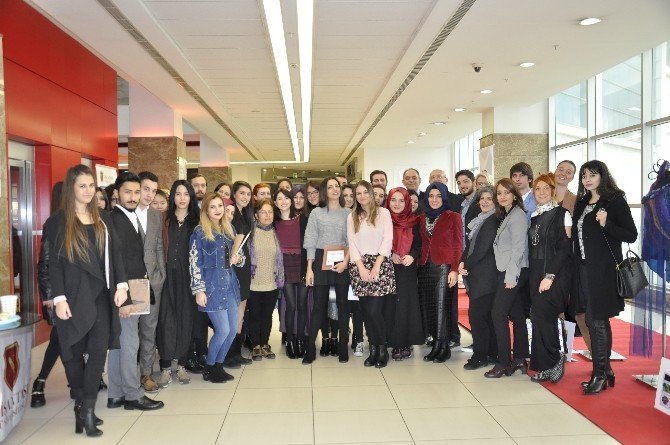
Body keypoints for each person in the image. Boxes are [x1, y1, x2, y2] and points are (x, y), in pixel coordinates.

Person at [47, 165, 129, 437]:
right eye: (82, 186)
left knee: (97, 353)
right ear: (71, 188)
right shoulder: (58, 222)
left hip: (101, 296)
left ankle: (89, 411)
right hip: (72, 297)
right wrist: (58, 298)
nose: (88, 191)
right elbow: (53, 264)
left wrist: (121, 284)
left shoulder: (103, 218)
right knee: (71, 353)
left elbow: (116, 254)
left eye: (91, 185)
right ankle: (80, 405)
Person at [573, 160, 637, 395]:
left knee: (596, 319)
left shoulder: (614, 200)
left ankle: (599, 374)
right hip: (583, 268)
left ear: (602, 176)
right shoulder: (582, 202)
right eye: (584, 176)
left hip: (603, 270)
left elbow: (631, 234)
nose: (587, 179)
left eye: (592, 175)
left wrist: (606, 223)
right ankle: (606, 370)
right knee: (594, 320)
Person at [107, 172, 164, 411]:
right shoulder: (113, 219)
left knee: (121, 343)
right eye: (127, 192)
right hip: (127, 289)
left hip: (139, 284)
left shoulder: (130, 216)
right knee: (130, 343)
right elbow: (115, 261)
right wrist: (126, 298)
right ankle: (132, 395)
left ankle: (116, 393)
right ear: (116, 193)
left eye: (136, 192)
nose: (133, 197)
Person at [190, 193, 244, 383]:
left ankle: (218, 366)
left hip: (230, 287)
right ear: (205, 210)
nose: (217, 210)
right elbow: (194, 263)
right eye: (212, 207)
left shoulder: (229, 229)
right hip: (211, 289)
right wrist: (199, 290)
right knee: (222, 331)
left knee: (231, 331)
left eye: (220, 206)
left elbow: (241, 259)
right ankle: (209, 367)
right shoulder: (199, 233)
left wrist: (238, 258)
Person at [527, 173, 573, 383]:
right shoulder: (534, 216)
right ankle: (544, 364)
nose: (542, 192)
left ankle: (554, 362)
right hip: (536, 274)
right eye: (538, 188)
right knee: (538, 318)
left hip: (554, 275)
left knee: (546, 318)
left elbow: (564, 250)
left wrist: (550, 276)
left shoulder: (562, 214)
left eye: (546, 188)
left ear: (553, 190)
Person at [303, 177, 351, 364]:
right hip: (321, 259)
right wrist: (309, 269)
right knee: (318, 306)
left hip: (342, 260)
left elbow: (352, 241)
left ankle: (343, 348)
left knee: (343, 305)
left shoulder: (348, 213)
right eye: (330, 187)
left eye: (337, 186)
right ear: (324, 191)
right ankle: (310, 349)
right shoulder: (316, 213)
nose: (334, 189)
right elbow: (310, 240)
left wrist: (345, 262)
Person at [156, 180, 200, 385]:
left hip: (188, 278)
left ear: (191, 197)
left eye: (186, 194)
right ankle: (165, 367)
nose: (182, 198)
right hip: (166, 277)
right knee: (166, 321)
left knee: (185, 319)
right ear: (172, 196)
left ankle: (181, 365)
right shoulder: (164, 219)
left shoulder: (197, 221)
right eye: (178, 194)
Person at [485, 178, 530, 378]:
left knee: (498, 314)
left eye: (506, 192)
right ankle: (520, 358)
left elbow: (519, 248)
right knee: (517, 315)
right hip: (511, 270)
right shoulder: (508, 214)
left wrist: (511, 277)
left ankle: (503, 362)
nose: (502, 196)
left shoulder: (517, 215)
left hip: (514, 271)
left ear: (514, 194)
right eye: (499, 193)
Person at [347, 181, 394, 367]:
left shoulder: (384, 213)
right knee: (366, 311)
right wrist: (360, 267)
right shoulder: (352, 216)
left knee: (375, 311)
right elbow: (352, 243)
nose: (362, 196)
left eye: (365, 192)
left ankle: (382, 349)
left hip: (380, 265)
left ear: (372, 194)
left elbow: (388, 239)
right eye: (358, 193)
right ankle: (373, 348)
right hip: (359, 266)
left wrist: (376, 266)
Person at [417, 182, 463, 362]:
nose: (434, 199)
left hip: (444, 267)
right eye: (431, 196)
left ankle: (443, 346)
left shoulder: (453, 216)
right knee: (430, 308)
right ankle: (436, 343)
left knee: (441, 308)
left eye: (438, 196)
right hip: (425, 267)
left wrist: (454, 269)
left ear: (444, 197)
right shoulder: (422, 217)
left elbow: (458, 245)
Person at [31, 182, 66, 408]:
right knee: (59, 339)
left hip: (77, 291)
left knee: (63, 339)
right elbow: (44, 264)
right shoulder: (54, 223)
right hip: (60, 295)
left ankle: (41, 381)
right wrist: (50, 296)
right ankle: (40, 381)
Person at [458, 186, 498, 370]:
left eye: (489, 198)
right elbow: (470, 246)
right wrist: (462, 261)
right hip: (480, 275)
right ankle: (491, 353)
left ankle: (480, 356)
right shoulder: (481, 219)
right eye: (482, 198)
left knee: (477, 317)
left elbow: (482, 249)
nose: (485, 202)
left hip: (486, 276)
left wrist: (466, 264)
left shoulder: (493, 220)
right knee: (485, 317)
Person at [135, 171, 166, 392]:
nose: (149, 195)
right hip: (132, 282)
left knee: (149, 328)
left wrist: (161, 274)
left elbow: (158, 246)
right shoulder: (125, 214)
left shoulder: (156, 215)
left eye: (153, 191)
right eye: (146, 189)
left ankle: (146, 373)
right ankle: (128, 374)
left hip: (154, 281)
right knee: (129, 333)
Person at [385, 187, 424, 361]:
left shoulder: (415, 221)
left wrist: (412, 255)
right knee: (391, 306)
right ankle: (394, 342)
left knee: (406, 306)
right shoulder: (383, 219)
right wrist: (390, 253)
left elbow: (420, 244)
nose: (397, 204)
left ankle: (406, 342)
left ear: (407, 202)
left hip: (407, 268)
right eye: (393, 200)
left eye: (401, 200)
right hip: (387, 268)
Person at [248, 199, 284, 360]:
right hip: (253, 282)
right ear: (256, 215)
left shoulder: (276, 231)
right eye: (263, 212)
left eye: (270, 212)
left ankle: (265, 344)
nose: (267, 215)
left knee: (267, 315)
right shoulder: (250, 232)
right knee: (255, 315)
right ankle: (255, 345)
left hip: (272, 282)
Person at [274, 189, 308, 358]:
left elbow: (309, 244)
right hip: (284, 265)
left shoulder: (302, 219)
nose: (284, 201)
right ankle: (289, 341)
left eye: (286, 198)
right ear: (275, 203)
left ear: (291, 200)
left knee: (302, 305)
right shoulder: (273, 222)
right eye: (279, 199)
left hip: (301, 264)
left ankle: (300, 339)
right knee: (291, 305)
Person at [225, 181, 255, 366]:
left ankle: (235, 352)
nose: (245, 197)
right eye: (241, 193)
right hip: (232, 266)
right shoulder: (229, 212)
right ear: (234, 194)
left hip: (244, 265)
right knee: (233, 309)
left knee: (241, 310)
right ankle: (227, 354)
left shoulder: (246, 214)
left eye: (248, 194)